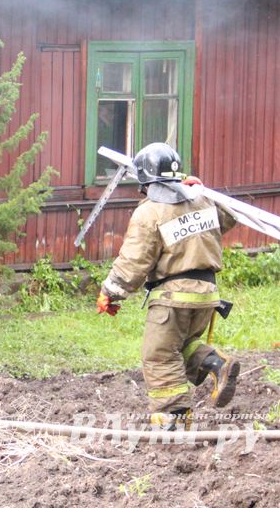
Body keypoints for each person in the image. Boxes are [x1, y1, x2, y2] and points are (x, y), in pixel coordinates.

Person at [96, 142, 238, 431]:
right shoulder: (202, 201)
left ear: (145, 180)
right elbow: (228, 219)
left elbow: (134, 260)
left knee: (158, 355)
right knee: (183, 345)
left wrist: (110, 293)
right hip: (207, 296)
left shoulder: (150, 212)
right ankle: (216, 365)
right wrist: (202, 190)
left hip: (172, 298)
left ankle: (172, 421)